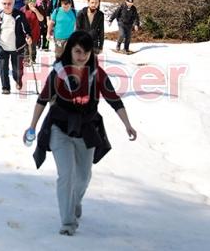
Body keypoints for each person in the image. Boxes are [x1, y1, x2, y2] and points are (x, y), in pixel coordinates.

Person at [25, 31, 137, 236]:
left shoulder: (97, 73)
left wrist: (127, 124)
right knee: (66, 175)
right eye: (78, 51)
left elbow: (114, 100)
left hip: (86, 130)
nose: (82, 56)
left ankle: (74, 201)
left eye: (86, 52)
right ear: (70, 50)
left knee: (84, 177)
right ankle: (67, 222)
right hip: (60, 129)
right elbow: (43, 100)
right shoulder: (59, 73)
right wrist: (32, 126)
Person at [0, 0, 32, 94]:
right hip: (2, 46)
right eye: (4, 4)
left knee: (17, 70)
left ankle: (18, 80)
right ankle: (5, 87)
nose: (6, 6)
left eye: (9, 4)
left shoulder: (19, 15)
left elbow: (27, 29)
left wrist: (28, 36)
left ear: (13, 4)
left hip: (17, 47)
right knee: (3, 68)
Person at [22, 0, 44, 64]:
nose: (32, 4)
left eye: (34, 2)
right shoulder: (23, 9)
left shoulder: (38, 9)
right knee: (25, 46)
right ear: (28, 2)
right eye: (31, 2)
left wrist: (36, 11)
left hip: (34, 31)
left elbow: (41, 19)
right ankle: (26, 59)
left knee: (33, 46)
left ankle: (33, 58)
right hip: (25, 31)